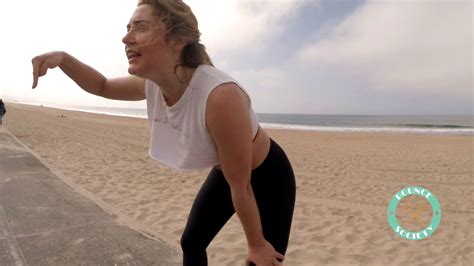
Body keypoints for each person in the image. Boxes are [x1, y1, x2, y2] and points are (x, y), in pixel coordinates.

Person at [31, 1, 296, 265]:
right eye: (128, 28)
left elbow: (241, 185)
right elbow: (102, 86)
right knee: (192, 242)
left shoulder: (220, 96)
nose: (126, 37)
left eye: (140, 27)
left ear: (178, 40)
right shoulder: (153, 84)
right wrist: (63, 59)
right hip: (226, 174)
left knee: (265, 259)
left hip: (267, 175)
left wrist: (256, 244)